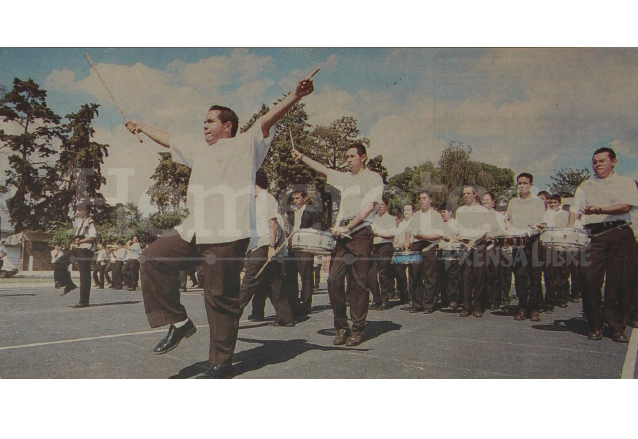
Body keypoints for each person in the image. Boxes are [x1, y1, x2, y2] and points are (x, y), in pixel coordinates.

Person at [125, 69, 317, 379]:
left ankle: (221, 362)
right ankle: (179, 322)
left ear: (227, 126)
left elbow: (267, 120)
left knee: (220, 299)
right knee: (152, 258)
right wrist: (140, 124)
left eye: (210, 121)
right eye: (203, 121)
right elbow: (168, 137)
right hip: (195, 229)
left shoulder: (246, 144)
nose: (204, 125)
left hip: (227, 234)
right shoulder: (199, 149)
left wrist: (296, 95)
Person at [292, 142, 384, 346]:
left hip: (360, 233)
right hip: (342, 234)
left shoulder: (373, 178)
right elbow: (323, 169)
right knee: (333, 280)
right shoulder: (345, 178)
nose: (348, 160)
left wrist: (349, 226)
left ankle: (358, 328)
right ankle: (342, 326)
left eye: (352, 156)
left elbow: (368, 207)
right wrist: (302, 157)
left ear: (363, 157)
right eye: (347, 157)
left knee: (358, 283)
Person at [568, 147, 638, 342]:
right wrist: (568, 231)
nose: (597, 165)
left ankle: (617, 327)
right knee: (588, 279)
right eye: (594, 162)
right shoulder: (585, 185)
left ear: (613, 162)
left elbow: (625, 206)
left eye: (601, 161)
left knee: (620, 282)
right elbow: (575, 210)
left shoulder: (626, 182)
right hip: (596, 237)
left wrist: (599, 209)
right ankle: (595, 326)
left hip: (621, 233)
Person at [239, 169, 295, 327]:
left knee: (249, 281)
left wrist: (271, 246)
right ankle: (286, 317)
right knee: (274, 282)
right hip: (261, 244)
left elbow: (273, 223)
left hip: (265, 245)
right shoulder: (258, 200)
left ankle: (232, 316)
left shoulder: (267, 198)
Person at [504, 173, 546, 322]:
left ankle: (534, 309)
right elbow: (507, 219)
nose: (522, 186)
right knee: (520, 276)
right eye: (519, 183)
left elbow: (542, 222)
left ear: (531, 185)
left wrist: (535, 227)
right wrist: (511, 230)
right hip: (518, 242)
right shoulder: (513, 202)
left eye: (525, 183)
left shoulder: (537, 202)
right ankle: (522, 307)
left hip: (533, 240)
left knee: (534, 275)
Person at [407, 190, 445, 314]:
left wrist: (424, 236)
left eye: (424, 198)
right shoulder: (416, 215)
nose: (422, 201)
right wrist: (408, 242)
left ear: (431, 200)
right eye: (420, 199)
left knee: (430, 277)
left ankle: (428, 304)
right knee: (415, 275)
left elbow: (439, 234)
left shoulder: (436, 215)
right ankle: (417, 303)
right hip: (417, 245)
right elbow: (409, 231)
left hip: (430, 245)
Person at [455, 185, 490, 317]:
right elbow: (458, 229)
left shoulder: (483, 210)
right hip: (465, 245)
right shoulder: (460, 210)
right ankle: (466, 306)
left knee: (479, 276)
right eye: (464, 194)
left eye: (468, 193)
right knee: (465, 276)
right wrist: (457, 236)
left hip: (478, 245)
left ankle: (478, 306)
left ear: (475, 194)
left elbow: (485, 229)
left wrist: (474, 240)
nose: (465, 196)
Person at [286, 189, 322, 316]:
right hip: (293, 247)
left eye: (298, 198)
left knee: (306, 276)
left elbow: (317, 229)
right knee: (291, 276)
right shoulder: (291, 212)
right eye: (294, 198)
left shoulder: (313, 212)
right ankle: (295, 303)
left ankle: (306, 303)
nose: (295, 201)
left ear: (305, 198)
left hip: (305, 247)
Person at [56, 204, 97, 308]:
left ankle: (84, 301)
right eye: (77, 210)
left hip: (85, 251)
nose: (78, 212)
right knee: (60, 262)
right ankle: (68, 284)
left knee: (84, 275)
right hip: (78, 249)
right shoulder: (81, 221)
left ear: (86, 211)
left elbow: (93, 237)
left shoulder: (89, 221)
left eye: (80, 210)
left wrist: (81, 240)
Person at [482, 192, 511, 310]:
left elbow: (506, 232)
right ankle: (485, 298)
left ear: (493, 202)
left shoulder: (499, 216)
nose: (485, 202)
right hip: (480, 248)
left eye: (487, 200)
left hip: (493, 248)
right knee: (482, 275)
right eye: (483, 200)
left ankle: (496, 299)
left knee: (494, 275)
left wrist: (493, 235)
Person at [541, 194, 570, 311]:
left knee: (562, 272)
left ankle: (562, 298)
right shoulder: (546, 214)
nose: (553, 205)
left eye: (555, 202)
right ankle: (549, 301)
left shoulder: (565, 214)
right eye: (551, 203)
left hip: (562, 245)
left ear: (559, 202)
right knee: (549, 274)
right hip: (549, 244)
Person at [369, 196, 397, 310]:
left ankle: (385, 300)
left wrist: (378, 233)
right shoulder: (373, 218)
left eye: (382, 204)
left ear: (386, 206)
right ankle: (377, 299)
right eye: (378, 205)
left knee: (383, 274)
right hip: (374, 247)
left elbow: (392, 233)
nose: (380, 207)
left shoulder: (390, 219)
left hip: (385, 246)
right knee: (370, 275)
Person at [438, 205, 461, 309]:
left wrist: (451, 238)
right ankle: (444, 298)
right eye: (441, 212)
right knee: (442, 276)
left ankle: (453, 299)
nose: (442, 214)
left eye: (444, 211)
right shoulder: (440, 224)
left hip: (452, 251)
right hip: (442, 251)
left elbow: (459, 236)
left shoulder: (456, 223)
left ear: (450, 212)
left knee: (452, 277)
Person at [394, 203, 415, 307]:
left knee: (411, 275)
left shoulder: (414, 222)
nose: (406, 212)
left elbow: (413, 238)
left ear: (413, 211)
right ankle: (403, 296)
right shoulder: (402, 223)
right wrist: (396, 244)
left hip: (410, 251)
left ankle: (412, 297)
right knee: (400, 273)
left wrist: (406, 244)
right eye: (405, 210)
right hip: (400, 252)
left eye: (408, 210)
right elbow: (397, 236)